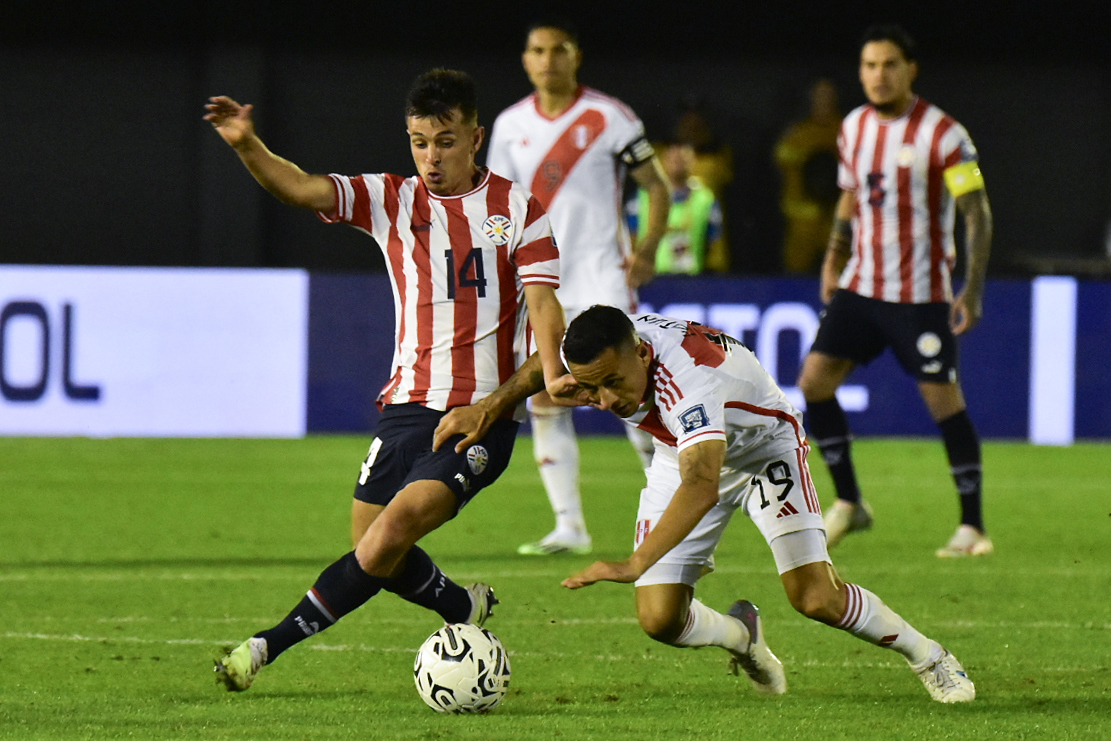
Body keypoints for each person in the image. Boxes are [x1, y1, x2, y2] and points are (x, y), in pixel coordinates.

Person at [203, 68, 569, 691]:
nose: (432, 156)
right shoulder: (392, 200)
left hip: (480, 416)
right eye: (420, 141)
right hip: (404, 407)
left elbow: (544, 307)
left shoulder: (517, 208)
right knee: (374, 546)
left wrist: (546, 376)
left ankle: (265, 646)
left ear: (475, 137)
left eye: (446, 141)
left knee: (389, 535)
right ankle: (462, 609)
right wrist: (246, 145)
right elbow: (301, 188)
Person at [434, 306, 976, 704]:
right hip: (684, 449)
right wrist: (490, 405)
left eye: (612, 384)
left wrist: (634, 562)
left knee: (814, 597)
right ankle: (743, 636)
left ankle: (930, 657)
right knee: (659, 619)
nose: (605, 400)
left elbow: (701, 483)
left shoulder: (688, 382)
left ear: (642, 354)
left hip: (764, 451)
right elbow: (547, 367)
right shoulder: (614, 350)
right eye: (591, 388)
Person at [796, 25, 994, 558]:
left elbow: (976, 214)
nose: (878, 76)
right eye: (869, 65)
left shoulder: (944, 134)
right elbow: (848, 198)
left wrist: (970, 290)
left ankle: (972, 526)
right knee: (814, 383)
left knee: (943, 404)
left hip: (920, 294)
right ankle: (851, 504)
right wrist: (834, 260)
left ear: (911, 69)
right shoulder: (854, 127)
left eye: (889, 65)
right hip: (861, 287)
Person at [487, 18, 670, 556]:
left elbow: (656, 186)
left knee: (633, 392)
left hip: (601, 276)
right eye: (537, 50)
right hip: (543, 281)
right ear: (526, 60)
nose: (548, 60)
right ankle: (569, 526)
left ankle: (669, 507)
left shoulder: (608, 116)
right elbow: (499, 205)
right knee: (544, 394)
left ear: (576, 55)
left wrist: (648, 249)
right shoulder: (509, 124)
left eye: (558, 50)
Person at [627, 138, 725, 275]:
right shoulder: (642, 197)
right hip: (651, 278)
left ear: (693, 161)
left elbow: (713, 244)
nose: (677, 161)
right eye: (673, 157)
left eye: (683, 158)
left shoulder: (706, 199)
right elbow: (630, 237)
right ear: (663, 161)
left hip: (691, 280)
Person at [774, 78, 843, 274]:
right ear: (811, 98)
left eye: (828, 96)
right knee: (795, 271)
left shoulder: (847, 131)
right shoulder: (796, 135)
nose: (824, 101)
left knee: (843, 274)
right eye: (819, 95)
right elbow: (781, 170)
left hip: (837, 218)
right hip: (802, 221)